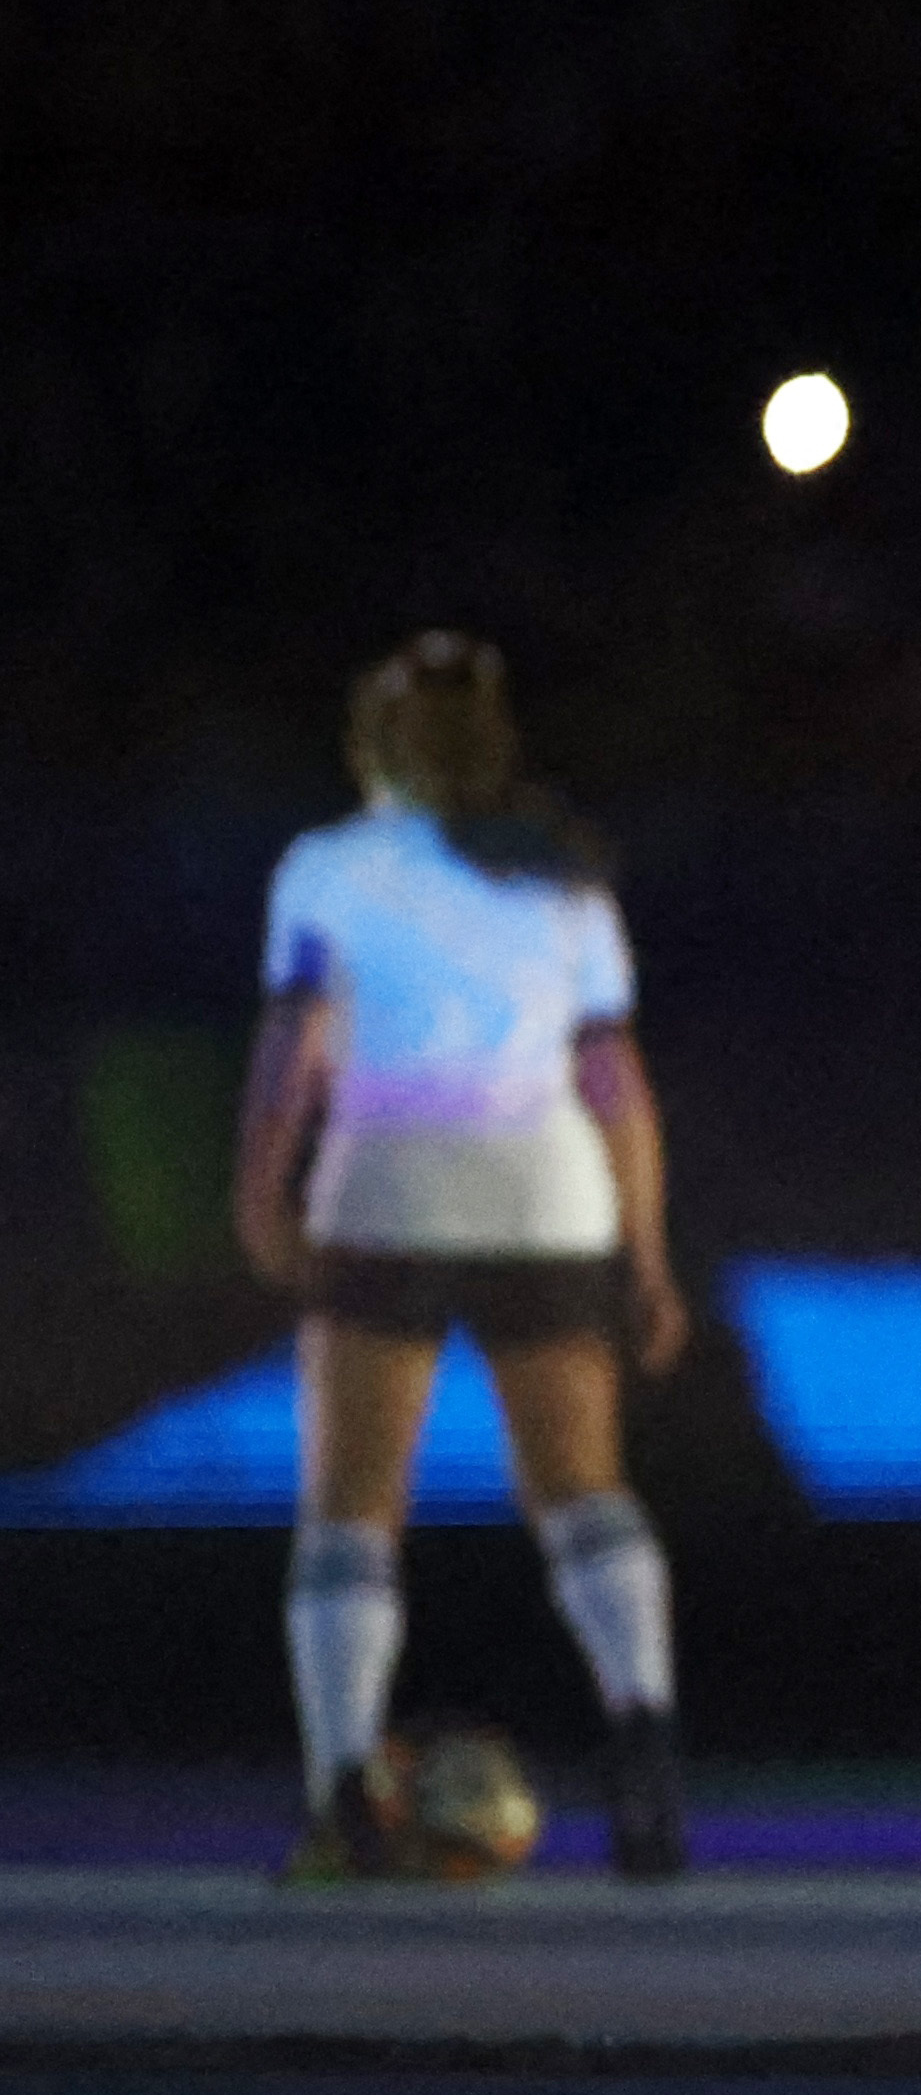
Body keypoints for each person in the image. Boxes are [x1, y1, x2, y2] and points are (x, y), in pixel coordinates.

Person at [232, 633, 694, 1881]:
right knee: (584, 1493)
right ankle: (644, 1732)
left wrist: (261, 1184)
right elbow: (613, 1076)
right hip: (546, 1198)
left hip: (391, 1188)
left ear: (373, 746)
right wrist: (646, 1251)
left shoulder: (329, 867)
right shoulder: (564, 879)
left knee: (351, 1508)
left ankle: (343, 1787)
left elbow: (294, 1047)